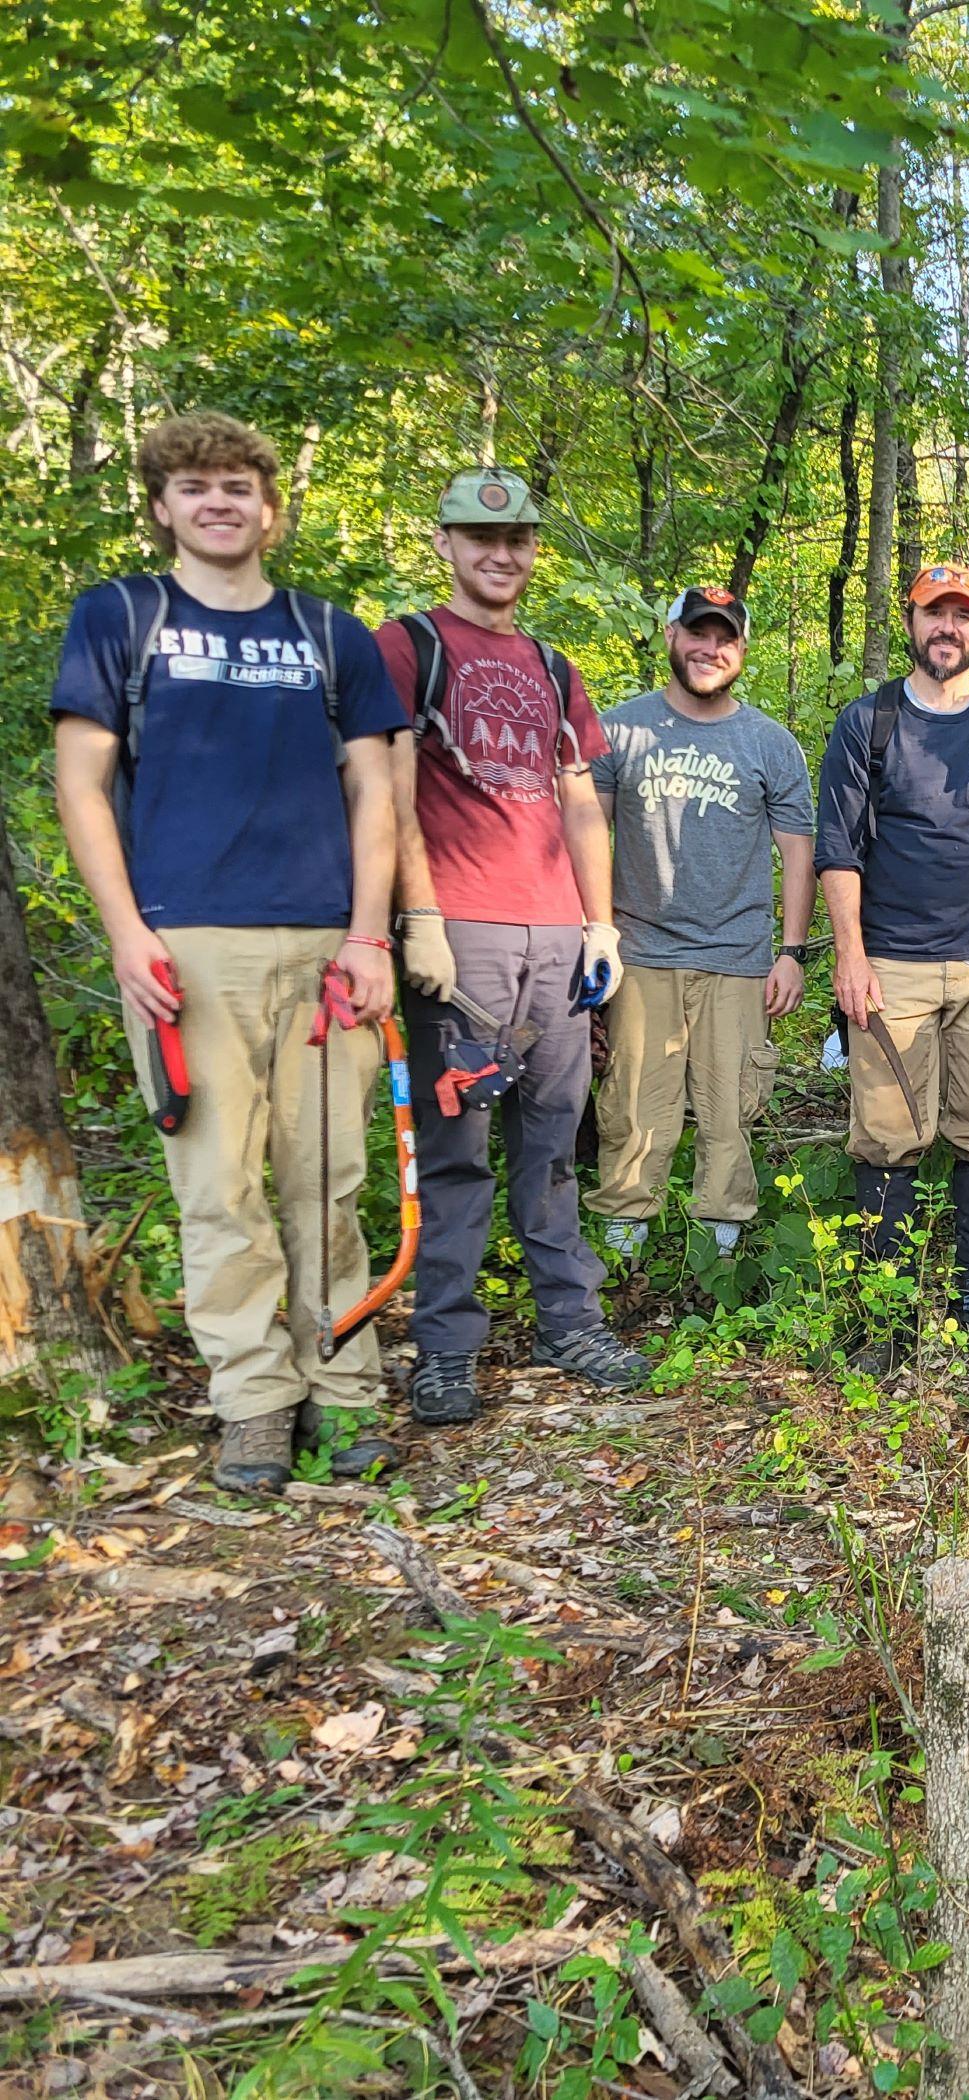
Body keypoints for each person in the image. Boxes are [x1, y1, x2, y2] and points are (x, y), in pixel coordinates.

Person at [52, 412, 410, 1490]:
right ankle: (254, 1401)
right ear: (163, 505)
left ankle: (341, 1392)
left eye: (238, 486)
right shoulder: (124, 616)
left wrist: (368, 935)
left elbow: (374, 791)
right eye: (196, 486)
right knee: (218, 1186)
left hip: (321, 943)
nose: (219, 502)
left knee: (326, 1179)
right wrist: (125, 933)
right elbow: (81, 780)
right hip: (185, 944)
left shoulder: (326, 631)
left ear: (269, 505)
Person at [380, 466, 647, 1426]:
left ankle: (567, 1320)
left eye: (517, 541)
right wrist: (419, 920)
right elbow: (389, 788)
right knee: (458, 1150)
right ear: (446, 543)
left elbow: (580, 803)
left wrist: (599, 923)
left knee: (553, 1141)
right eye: (479, 538)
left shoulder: (552, 665)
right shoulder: (406, 645)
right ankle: (446, 1347)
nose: (500, 555)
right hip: (463, 936)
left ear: (533, 551)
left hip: (555, 939)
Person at [816, 562, 969, 1367]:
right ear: (911, 620)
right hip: (892, 965)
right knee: (887, 1139)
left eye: (962, 616)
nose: (947, 629)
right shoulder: (870, 722)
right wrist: (850, 957)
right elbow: (837, 848)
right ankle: (885, 1315)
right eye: (934, 614)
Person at [585, 586, 815, 1264]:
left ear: (741, 650)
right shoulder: (618, 729)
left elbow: (799, 851)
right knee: (633, 1104)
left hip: (738, 958)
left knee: (731, 1108)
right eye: (697, 633)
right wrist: (592, 931)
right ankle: (624, 1248)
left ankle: (719, 1253)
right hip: (641, 953)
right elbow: (586, 833)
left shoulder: (771, 744)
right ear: (671, 636)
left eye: (724, 638)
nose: (709, 648)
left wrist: (793, 952)